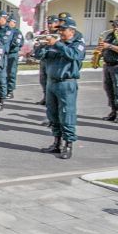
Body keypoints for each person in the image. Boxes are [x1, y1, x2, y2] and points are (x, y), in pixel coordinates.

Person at [35, 19, 85, 160]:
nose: (60, 32)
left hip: (66, 83)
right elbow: (39, 56)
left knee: (66, 114)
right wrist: (40, 46)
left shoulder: (77, 44)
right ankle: (56, 142)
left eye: (63, 30)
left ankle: (68, 145)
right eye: (59, 30)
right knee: (53, 114)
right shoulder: (54, 42)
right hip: (52, 82)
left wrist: (57, 44)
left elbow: (75, 56)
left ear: (72, 31)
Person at [97, 19, 118, 124]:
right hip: (108, 65)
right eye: (113, 25)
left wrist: (109, 46)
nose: (114, 26)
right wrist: (100, 52)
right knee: (108, 89)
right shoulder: (110, 35)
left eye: (116, 25)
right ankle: (113, 111)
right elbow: (105, 47)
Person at [35, 15, 60, 105]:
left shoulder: (59, 34)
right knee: (43, 80)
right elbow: (38, 44)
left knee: (51, 81)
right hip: (44, 60)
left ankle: (52, 100)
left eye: (51, 23)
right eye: (48, 23)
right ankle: (46, 97)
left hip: (53, 61)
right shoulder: (44, 33)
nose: (49, 25)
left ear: (57, 23)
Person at [0, 11, 14, 111]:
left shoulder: (8, 29)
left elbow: (2, 40)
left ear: (4, 19)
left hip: (1, 57)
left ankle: (1, 100)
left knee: (1, 79)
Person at [5, 18, 24, 99]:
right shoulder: (5, 31)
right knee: (4, 72)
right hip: (5, 54)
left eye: (10, 22)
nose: (8, 23)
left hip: (12, 54)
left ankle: (10, 90)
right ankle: (4, 89)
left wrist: (6, 45)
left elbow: (16, 43)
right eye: (8, 21)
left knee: (11, 72)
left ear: (14, 23)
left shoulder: (17, 32)